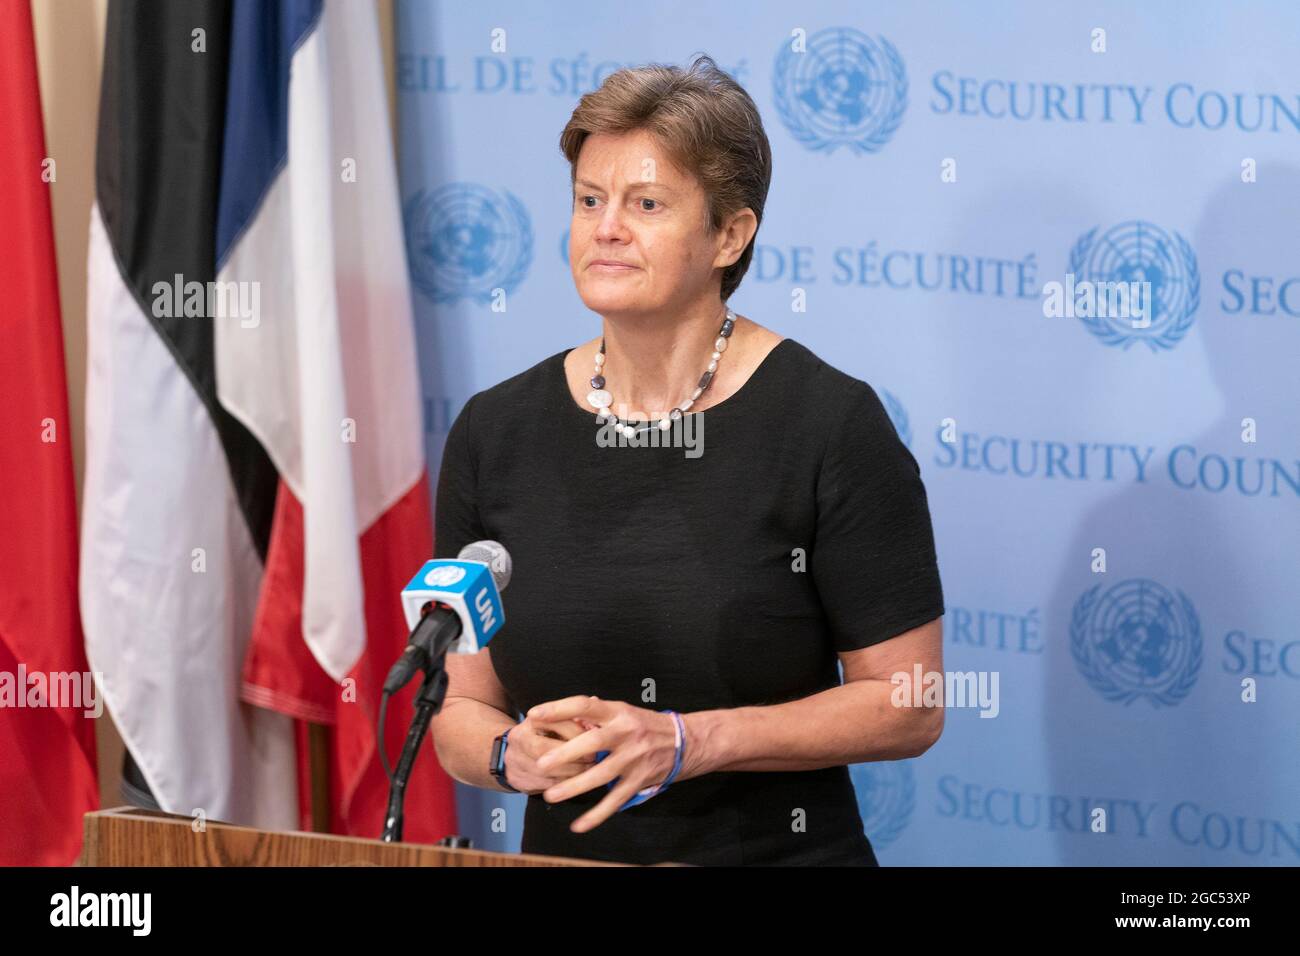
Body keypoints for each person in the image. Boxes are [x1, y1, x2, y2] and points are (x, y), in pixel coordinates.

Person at [428, 54, 945, 866]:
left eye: (647, 204)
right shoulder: (495, 432)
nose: (606, 228)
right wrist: (507, 755)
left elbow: (910, 703)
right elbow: (461, 709)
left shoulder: (829, 425)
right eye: (589, 200)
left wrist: (687, 740)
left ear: (729, 235)